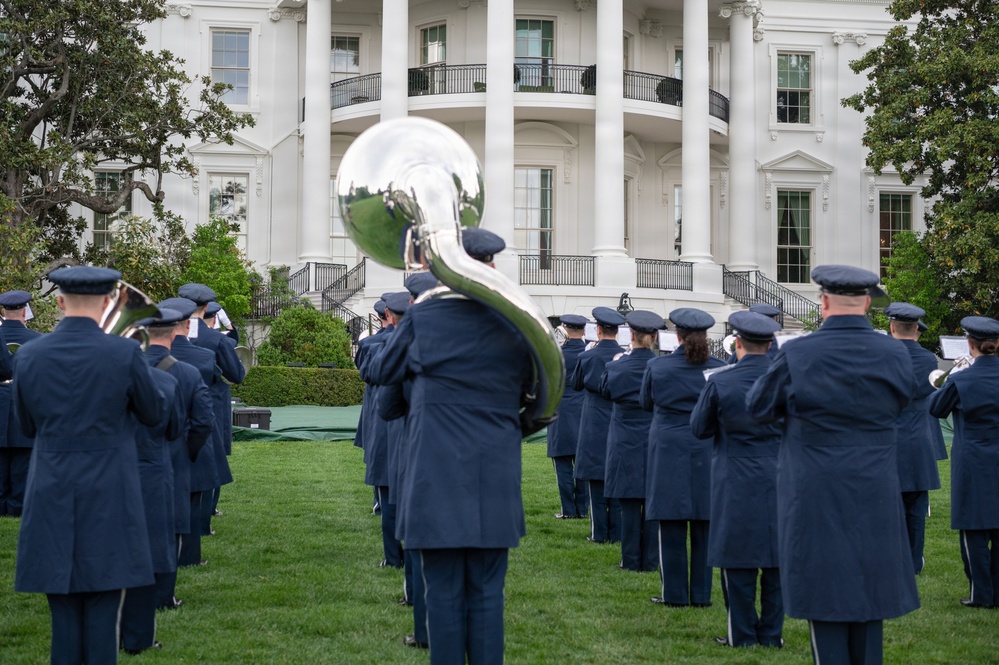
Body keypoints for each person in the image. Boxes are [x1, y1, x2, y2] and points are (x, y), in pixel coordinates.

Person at [364, 226, 534, 665]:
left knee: (441, 593)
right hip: (494, 472)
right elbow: (537, 396)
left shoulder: (423, 317)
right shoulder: (517, 319)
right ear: (492, 267)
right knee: (487, 593)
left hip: (433, 471)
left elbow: (384, 370)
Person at [747, 264, 919, 665]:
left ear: (823, 302)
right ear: (866, 303)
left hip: (816, 487)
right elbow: (902, 402)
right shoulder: (894, 352)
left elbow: (757, 407)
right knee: (869, 592)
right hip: (874, 484)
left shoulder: (799, 352)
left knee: (823, 595)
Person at [12, 266, 166, 665]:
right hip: (110, 488)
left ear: (59, 302)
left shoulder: (28, 354)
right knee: (103, 604)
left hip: (51, 487)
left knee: (62, 609)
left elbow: (27, 425)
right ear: (105, 303)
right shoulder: (126, 352)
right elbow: (153, 414)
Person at [690, 311, 784, 648]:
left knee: (736, 555)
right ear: (771, 344)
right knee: (776, 558)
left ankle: (741, 634)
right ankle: (772, 634)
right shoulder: (786, 382)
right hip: (778, 475)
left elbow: (700, 428)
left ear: (738, 342)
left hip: (735, 475)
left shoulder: (721, 380)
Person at [642, 307, 725, 608]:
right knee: (704, 523)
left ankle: (674, 593)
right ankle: (701, 594)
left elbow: (645, 401)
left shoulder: (658, 367)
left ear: (676, 335)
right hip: (705, 446)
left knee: (671, 522)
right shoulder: (719, 368)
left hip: (668, 447)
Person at [120, 309, 184, 655]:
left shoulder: (109, 376)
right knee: (146, 554)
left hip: (115, 472)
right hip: (152, 472)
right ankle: (139, 636)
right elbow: (176, 430)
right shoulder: (166, 381)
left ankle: (111, 631)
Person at [928, 315, 999, 609]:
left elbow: (936, 408)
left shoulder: (962, 378)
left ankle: (981, 593)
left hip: (973, 458)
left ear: (970, 345)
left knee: (973, 526)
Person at [161, 296, 220, 569]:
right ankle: (189, 555)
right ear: (186, 324)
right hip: (187, 443)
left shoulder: (134, 359)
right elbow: (203, 419)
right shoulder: (203, 358)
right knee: (192, 501)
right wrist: (191, 448)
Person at [178, 283, 243, 530]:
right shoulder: (216, 340)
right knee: (209, 461)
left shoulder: (166, 335)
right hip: (210, 403)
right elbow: (236, 375)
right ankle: (203, 520)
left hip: (172, 405)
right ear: (208, 309)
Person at [601, 310, 661, 572]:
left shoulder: (615, 366)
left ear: (632, 335)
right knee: (651, 500)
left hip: (624, 439)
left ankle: (630, 558)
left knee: (628, 502)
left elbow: (605, 391)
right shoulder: (661, 367)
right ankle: (649, 559)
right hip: (653, 439)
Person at [885, 302, 941, 575]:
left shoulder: (881, 356)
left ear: (892, 327)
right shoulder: (929, 359)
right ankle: (914, 559)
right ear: (916, 328)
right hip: (918, 436)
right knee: (916, 507)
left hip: (887, 439)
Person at [359, 292, 411, 569]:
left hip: (387, 423)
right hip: (417, 427)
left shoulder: (374, 344)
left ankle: (393, 557)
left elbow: (368, 376)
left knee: (389, 494)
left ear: (388, 315)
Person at [573, 307, 625, 544]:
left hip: (594, 417)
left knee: (595, 477)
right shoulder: (624, 357)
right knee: (614, 475)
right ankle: (616, 531)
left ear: (599, 329)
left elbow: (576, 385)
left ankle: (598, 532)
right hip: (617, 416)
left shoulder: (587, 356)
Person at [0, 289, 42, 517]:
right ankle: (17, 509)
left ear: (3, 311)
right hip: (24, 406)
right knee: (21, 469)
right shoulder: (39, 341)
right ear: (25, 311)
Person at [547, 314, 588, 520]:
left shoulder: (556, 353)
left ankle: (568, 510)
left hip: (561, 412)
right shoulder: (590, 352)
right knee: (582, 463)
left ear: (564, 328)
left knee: (562, 464)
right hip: (584, 412)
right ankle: (582, 509)